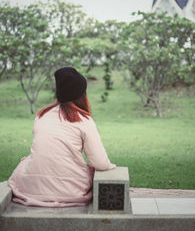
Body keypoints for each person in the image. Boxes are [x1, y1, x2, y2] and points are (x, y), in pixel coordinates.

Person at [8, 67, 116, 207]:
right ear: (81, 94)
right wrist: (110, 166)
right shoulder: (84, 120)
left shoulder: (41, 116)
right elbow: (100, 163)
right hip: (71, 190)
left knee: (25, 162)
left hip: (33, 187)